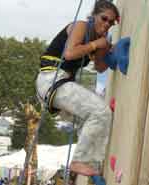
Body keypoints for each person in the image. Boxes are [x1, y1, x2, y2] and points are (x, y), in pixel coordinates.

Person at [36, 0, 119, 176]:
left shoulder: (98, 39)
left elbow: (100, 67)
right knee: (100, 112)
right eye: (104, 19)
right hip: (52, 79)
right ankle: (80, 161)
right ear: (93, 15)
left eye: (111, 22)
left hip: (56, 85)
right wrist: (96, 45)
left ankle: (93, 164)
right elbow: (70, 53)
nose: (106, 24)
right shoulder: (80, 26)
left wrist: (108, 50)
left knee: (88, 120)